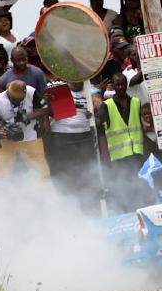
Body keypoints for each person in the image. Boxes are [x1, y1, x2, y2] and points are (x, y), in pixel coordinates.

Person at [95, 73, 149, 210]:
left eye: (123, 84)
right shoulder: (107, 106)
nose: (121, 87)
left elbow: (139, 127)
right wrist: (106, 160)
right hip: (118, 158)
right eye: (117, 85)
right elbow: (101, 132)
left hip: (136, 154)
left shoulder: (136, 102)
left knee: (138, 187)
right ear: (112, 86)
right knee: (124, 189)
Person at [0, 80, 50, 183]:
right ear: (8, 93)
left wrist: (27, 117)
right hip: (7, 139)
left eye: (21, 99)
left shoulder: (32, 92)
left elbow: (46, 109)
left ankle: (44, 194)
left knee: (41, 172)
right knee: (0, 173)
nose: (18, 102)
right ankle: (1, 195)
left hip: (31, 137)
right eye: (15, 100)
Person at [49, 81, 96, 208]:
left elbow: (99, 103)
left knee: (85, 171)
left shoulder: (89, 89)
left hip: (84, 136)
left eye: (80, 79)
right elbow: (44, 107)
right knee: (66, 172)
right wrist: (51, 107)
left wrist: (93, 109)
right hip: (62, 136)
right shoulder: (58, 89)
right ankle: (67, 205)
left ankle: (86, 204)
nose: (77, 82)